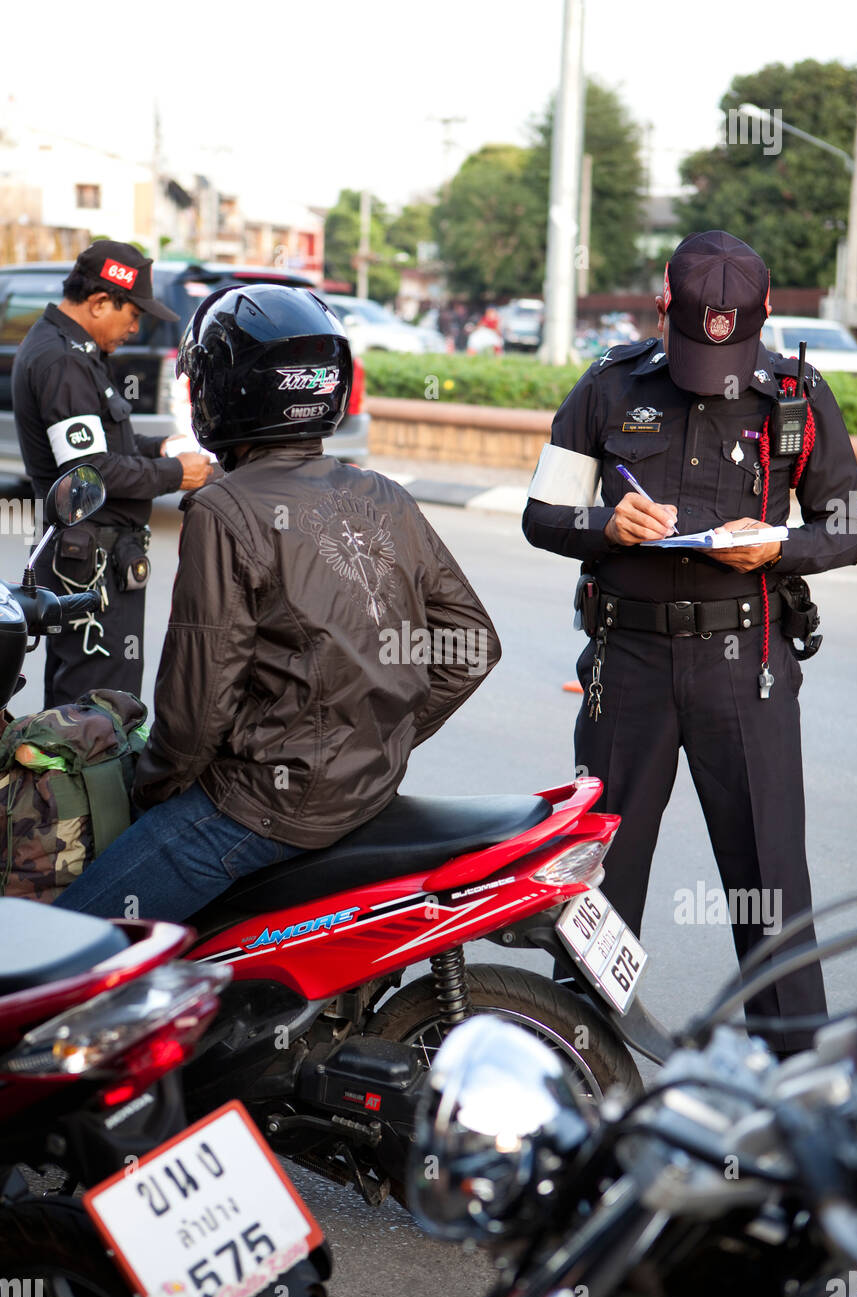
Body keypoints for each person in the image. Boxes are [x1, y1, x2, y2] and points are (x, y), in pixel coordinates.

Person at [523, 229, 857, 1057]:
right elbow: (542, 515)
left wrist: (778, 545)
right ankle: (583, 1076)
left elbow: (848, 525)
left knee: (770, 883)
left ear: (766, 315)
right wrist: (607, 523)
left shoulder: (795, 394)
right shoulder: (608, 385)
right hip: (627, 665)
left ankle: (792, 1092)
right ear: (664, 304)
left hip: (743, 667)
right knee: (599, 878)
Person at [56, 284, 500, 922]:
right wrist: (378, 736)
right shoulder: (385, 495)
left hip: (261, 803)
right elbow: (471, 645)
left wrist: (149, 787)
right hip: (368, 790)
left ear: (223, 389)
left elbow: (196, 710)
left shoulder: (223, 507)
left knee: (72, 935)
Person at [11, 239, 213, 707]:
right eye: (133, 314)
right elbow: (90, 470)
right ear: (101, 302)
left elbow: (101, 445)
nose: (136, 327)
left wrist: (159, 447)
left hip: (92, 557)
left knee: (86, 702)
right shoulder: (63, 359)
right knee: (97, 711)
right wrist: (174, 474)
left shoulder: (74, 352)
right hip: (90, 564)